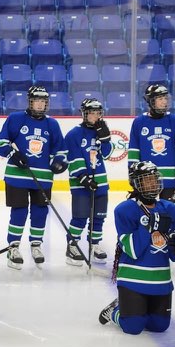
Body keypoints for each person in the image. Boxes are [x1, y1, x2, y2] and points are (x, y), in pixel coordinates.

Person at [98, 161, 175, 335]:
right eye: (147, 180)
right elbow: (132, 250)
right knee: (133, 327)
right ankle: (116, 311)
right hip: (133, 280)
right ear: (136, 184)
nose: (152, 184)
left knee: (159, 326)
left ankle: (133, 308)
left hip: (160, 281)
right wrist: (148, 227)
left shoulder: (170, 210)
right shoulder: (125, 210)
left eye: (154, 179)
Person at [0, 85, 68, 269]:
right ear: (30, 102)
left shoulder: (52, 124)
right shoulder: (16, 119)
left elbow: (62, 149)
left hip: (42, 178)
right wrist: (12, 154)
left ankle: (36, 245)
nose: (40, 105)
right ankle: (13, 247)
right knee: (19, 211)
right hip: (17, 176)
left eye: (43, 101)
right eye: (37, 101)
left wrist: (60, 161)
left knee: (40, 212)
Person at [63, 98, 112, 266]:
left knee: (99, 217)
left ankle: (94, 244)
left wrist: (105, 139)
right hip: (80, 184)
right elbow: (73, 157)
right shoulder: (74, 134)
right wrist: (83, 177)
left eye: (98, 113)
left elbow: (106, 154)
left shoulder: (102, 131)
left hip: (101, 182)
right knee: (80, 216)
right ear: (84, 114)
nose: (95, 116)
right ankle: (72, 245)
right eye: (92, 113)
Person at [128, 84, 175, 203]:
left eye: (165, 98)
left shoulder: (174, 120)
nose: (164, 102)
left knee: (168, 214)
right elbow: (134, 150)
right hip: (147, 179)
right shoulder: (139, 122)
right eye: (160, 99)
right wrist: (132, 171)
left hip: (170, 178)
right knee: (147, 214)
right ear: (151, 101)